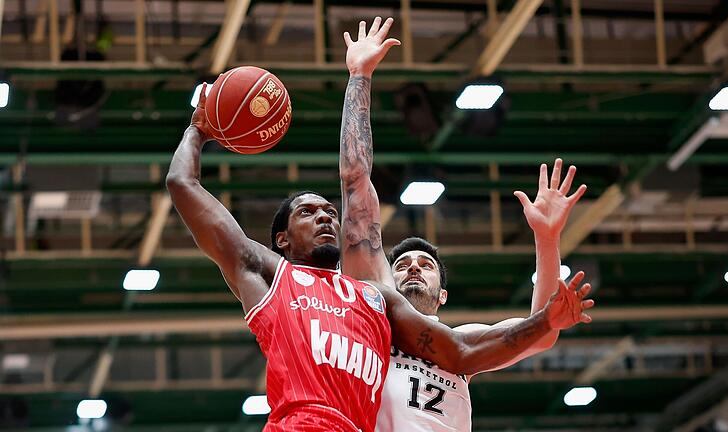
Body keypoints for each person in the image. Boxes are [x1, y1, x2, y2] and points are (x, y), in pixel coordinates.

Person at [166, 17, 592, 432]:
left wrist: (547, 267)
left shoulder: (380, 306)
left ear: (444, 293)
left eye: (329, 212)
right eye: (307, 212)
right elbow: (353, 179)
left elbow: (482, 345)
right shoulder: (278, 277)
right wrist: (199, 130)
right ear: (280, 239)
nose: (326, 217)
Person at [337, 17, 594, 432]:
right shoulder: (376, 307)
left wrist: (547, 241)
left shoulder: (462, 345)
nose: (413, 268)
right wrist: (359, 78)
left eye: (425, 264)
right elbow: (355, 180)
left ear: (442, 297)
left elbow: (541, 331)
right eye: (402, 265)